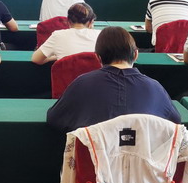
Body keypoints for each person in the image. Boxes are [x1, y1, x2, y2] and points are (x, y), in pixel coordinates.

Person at [47, 26, 180, 133]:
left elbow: (54, 119)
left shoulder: (81, 84)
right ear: (136, 54)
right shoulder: (155, 87)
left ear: (98, 57)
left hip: (93, 159)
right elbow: (174, 122)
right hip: (145, 159)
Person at [32, 2, 100, 64]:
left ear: (68, 21)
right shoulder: (100, 35)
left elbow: (36, 59)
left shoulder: (58, 35)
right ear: (91, 22)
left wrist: (54, 57)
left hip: (67, 74)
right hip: (96, 74)